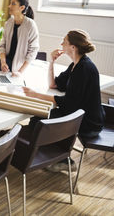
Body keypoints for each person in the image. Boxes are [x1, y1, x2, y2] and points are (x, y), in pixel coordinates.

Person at [23, 29, 105, 171]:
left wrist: (36, 95)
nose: (61, 44)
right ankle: (52, 155)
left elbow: (68, 103)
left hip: (88, 122)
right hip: (77, 113)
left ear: (73, 47)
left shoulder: (84, 68)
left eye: (64, 42)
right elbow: (54, 85)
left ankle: (63, 159)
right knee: (38, 118)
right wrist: (52, 62)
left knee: (39, 121)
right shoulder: (75, 64)